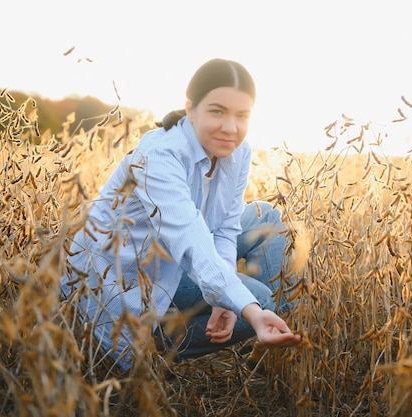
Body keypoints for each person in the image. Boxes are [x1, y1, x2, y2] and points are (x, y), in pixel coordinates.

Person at [61, 58, 301, 373]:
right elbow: (190, 239)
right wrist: (248, 309)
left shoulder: (236, 151)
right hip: (130, 276)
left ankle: (267, 347)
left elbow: (226, 228)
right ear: (190, 109)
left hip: (177, 255)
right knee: (259, 301)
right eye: (217, 111)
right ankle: (153, 344)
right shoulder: (160, 155)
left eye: (241, 115)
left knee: (267, 216)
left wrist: (221, 298)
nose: (231, 127)